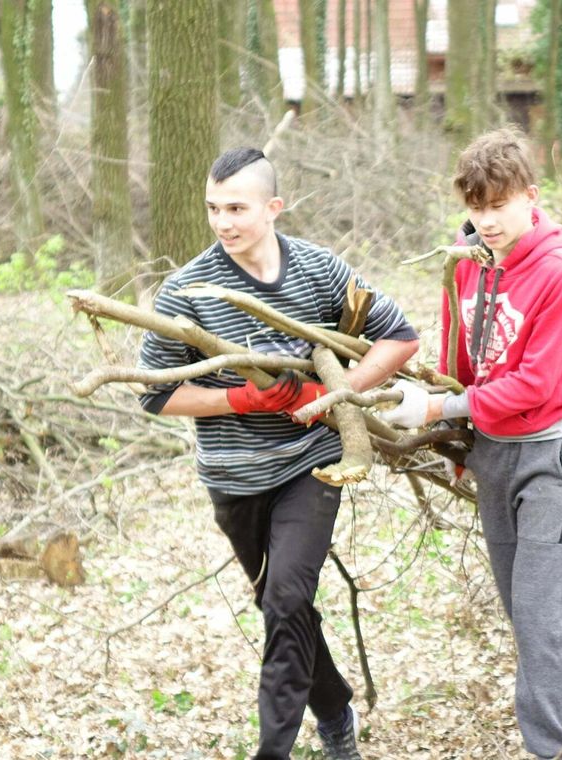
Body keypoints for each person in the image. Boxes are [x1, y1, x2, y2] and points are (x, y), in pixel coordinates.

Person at [137, 147, 419, 760]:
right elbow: (156, 398)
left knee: (287, 598)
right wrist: (240, 398)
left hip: (310, 463)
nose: (223, 222)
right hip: (233, 479)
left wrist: (334, 392)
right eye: (213, 209)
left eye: (236, 208)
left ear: (273, 207)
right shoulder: (185, 290)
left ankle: (276, 749)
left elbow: (399, 337)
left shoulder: (318, 270)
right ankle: (334, 703)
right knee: (281, 604)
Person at [378, 127, 562, 759]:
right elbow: (462, 356)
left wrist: (439, 406)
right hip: (491, 448)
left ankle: (552, 748)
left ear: (530, 197)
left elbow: (534, 385)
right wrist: (458, 438)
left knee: (538, 620)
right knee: (525, 605)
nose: (486, 220)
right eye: (475, 207)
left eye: (498, 206)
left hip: (553, 455)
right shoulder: (468, 264)